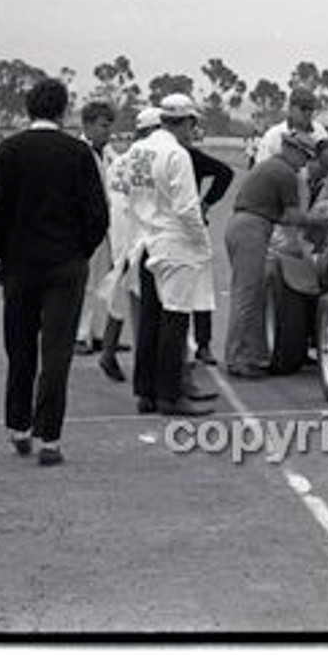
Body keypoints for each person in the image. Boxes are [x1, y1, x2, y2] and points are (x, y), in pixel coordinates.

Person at [0, 79, 109, 466]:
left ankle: (18, 426)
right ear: (63, 110)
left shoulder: (10, 149)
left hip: (19, 264)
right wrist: (79, 252)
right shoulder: (78, 153)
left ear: (28, 109)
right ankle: (49, 437)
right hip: (65, 264)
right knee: (56, 353)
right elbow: (97, 214)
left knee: (19, 348)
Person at [124, 94, 216, 416]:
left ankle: (145, 392)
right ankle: (169, 395)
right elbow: (188, 209)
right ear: (187, 121)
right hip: (174, 245)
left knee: (150, 319)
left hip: (146, 241)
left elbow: (129, 194)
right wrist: (202, 244)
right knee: (175, 321)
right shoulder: (177, 154)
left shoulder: (137, 150)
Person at [223, 130, 319, 378]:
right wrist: (320, 221)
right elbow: (291, 216)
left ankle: (249, 355)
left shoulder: (270, 166)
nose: (305, 163)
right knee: (247, 295)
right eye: (305, 157)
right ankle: (237, 358)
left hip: (245, 225)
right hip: (252, 227)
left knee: (251, 293)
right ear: (292, 150)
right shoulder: (284, 173)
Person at [96, 107, 160, 383]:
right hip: (135, 237)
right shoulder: (147, 161)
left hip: (122, 235)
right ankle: (146, 371)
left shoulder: (121, 160)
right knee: (140, 302)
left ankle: (109, 352)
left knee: (123, 297)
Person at [179, 114, 235, 366]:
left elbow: (225, 173)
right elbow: (224, 173)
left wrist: (205, 203)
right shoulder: (185, 155)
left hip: (188, 228)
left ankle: (200, 345)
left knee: (199, 288)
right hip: (183, 228)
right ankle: (197, 346)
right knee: (191, 290)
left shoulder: (190, 156)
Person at [75, 100, 119, 355]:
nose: (107, 131)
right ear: (88, 125)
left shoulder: (108, 151)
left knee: (105, 282)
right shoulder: (78, 151)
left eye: (109, 126)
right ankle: (80, 335)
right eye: (103, 126)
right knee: (87, 283)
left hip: (107, 226)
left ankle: (99, 333)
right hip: (87, 227)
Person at [253, 87, 328, 165]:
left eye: (311, 109)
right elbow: (261, 167)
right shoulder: (273, 136)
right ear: (290, 108)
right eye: (303, 108)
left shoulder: (320, 133)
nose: (307, 113)